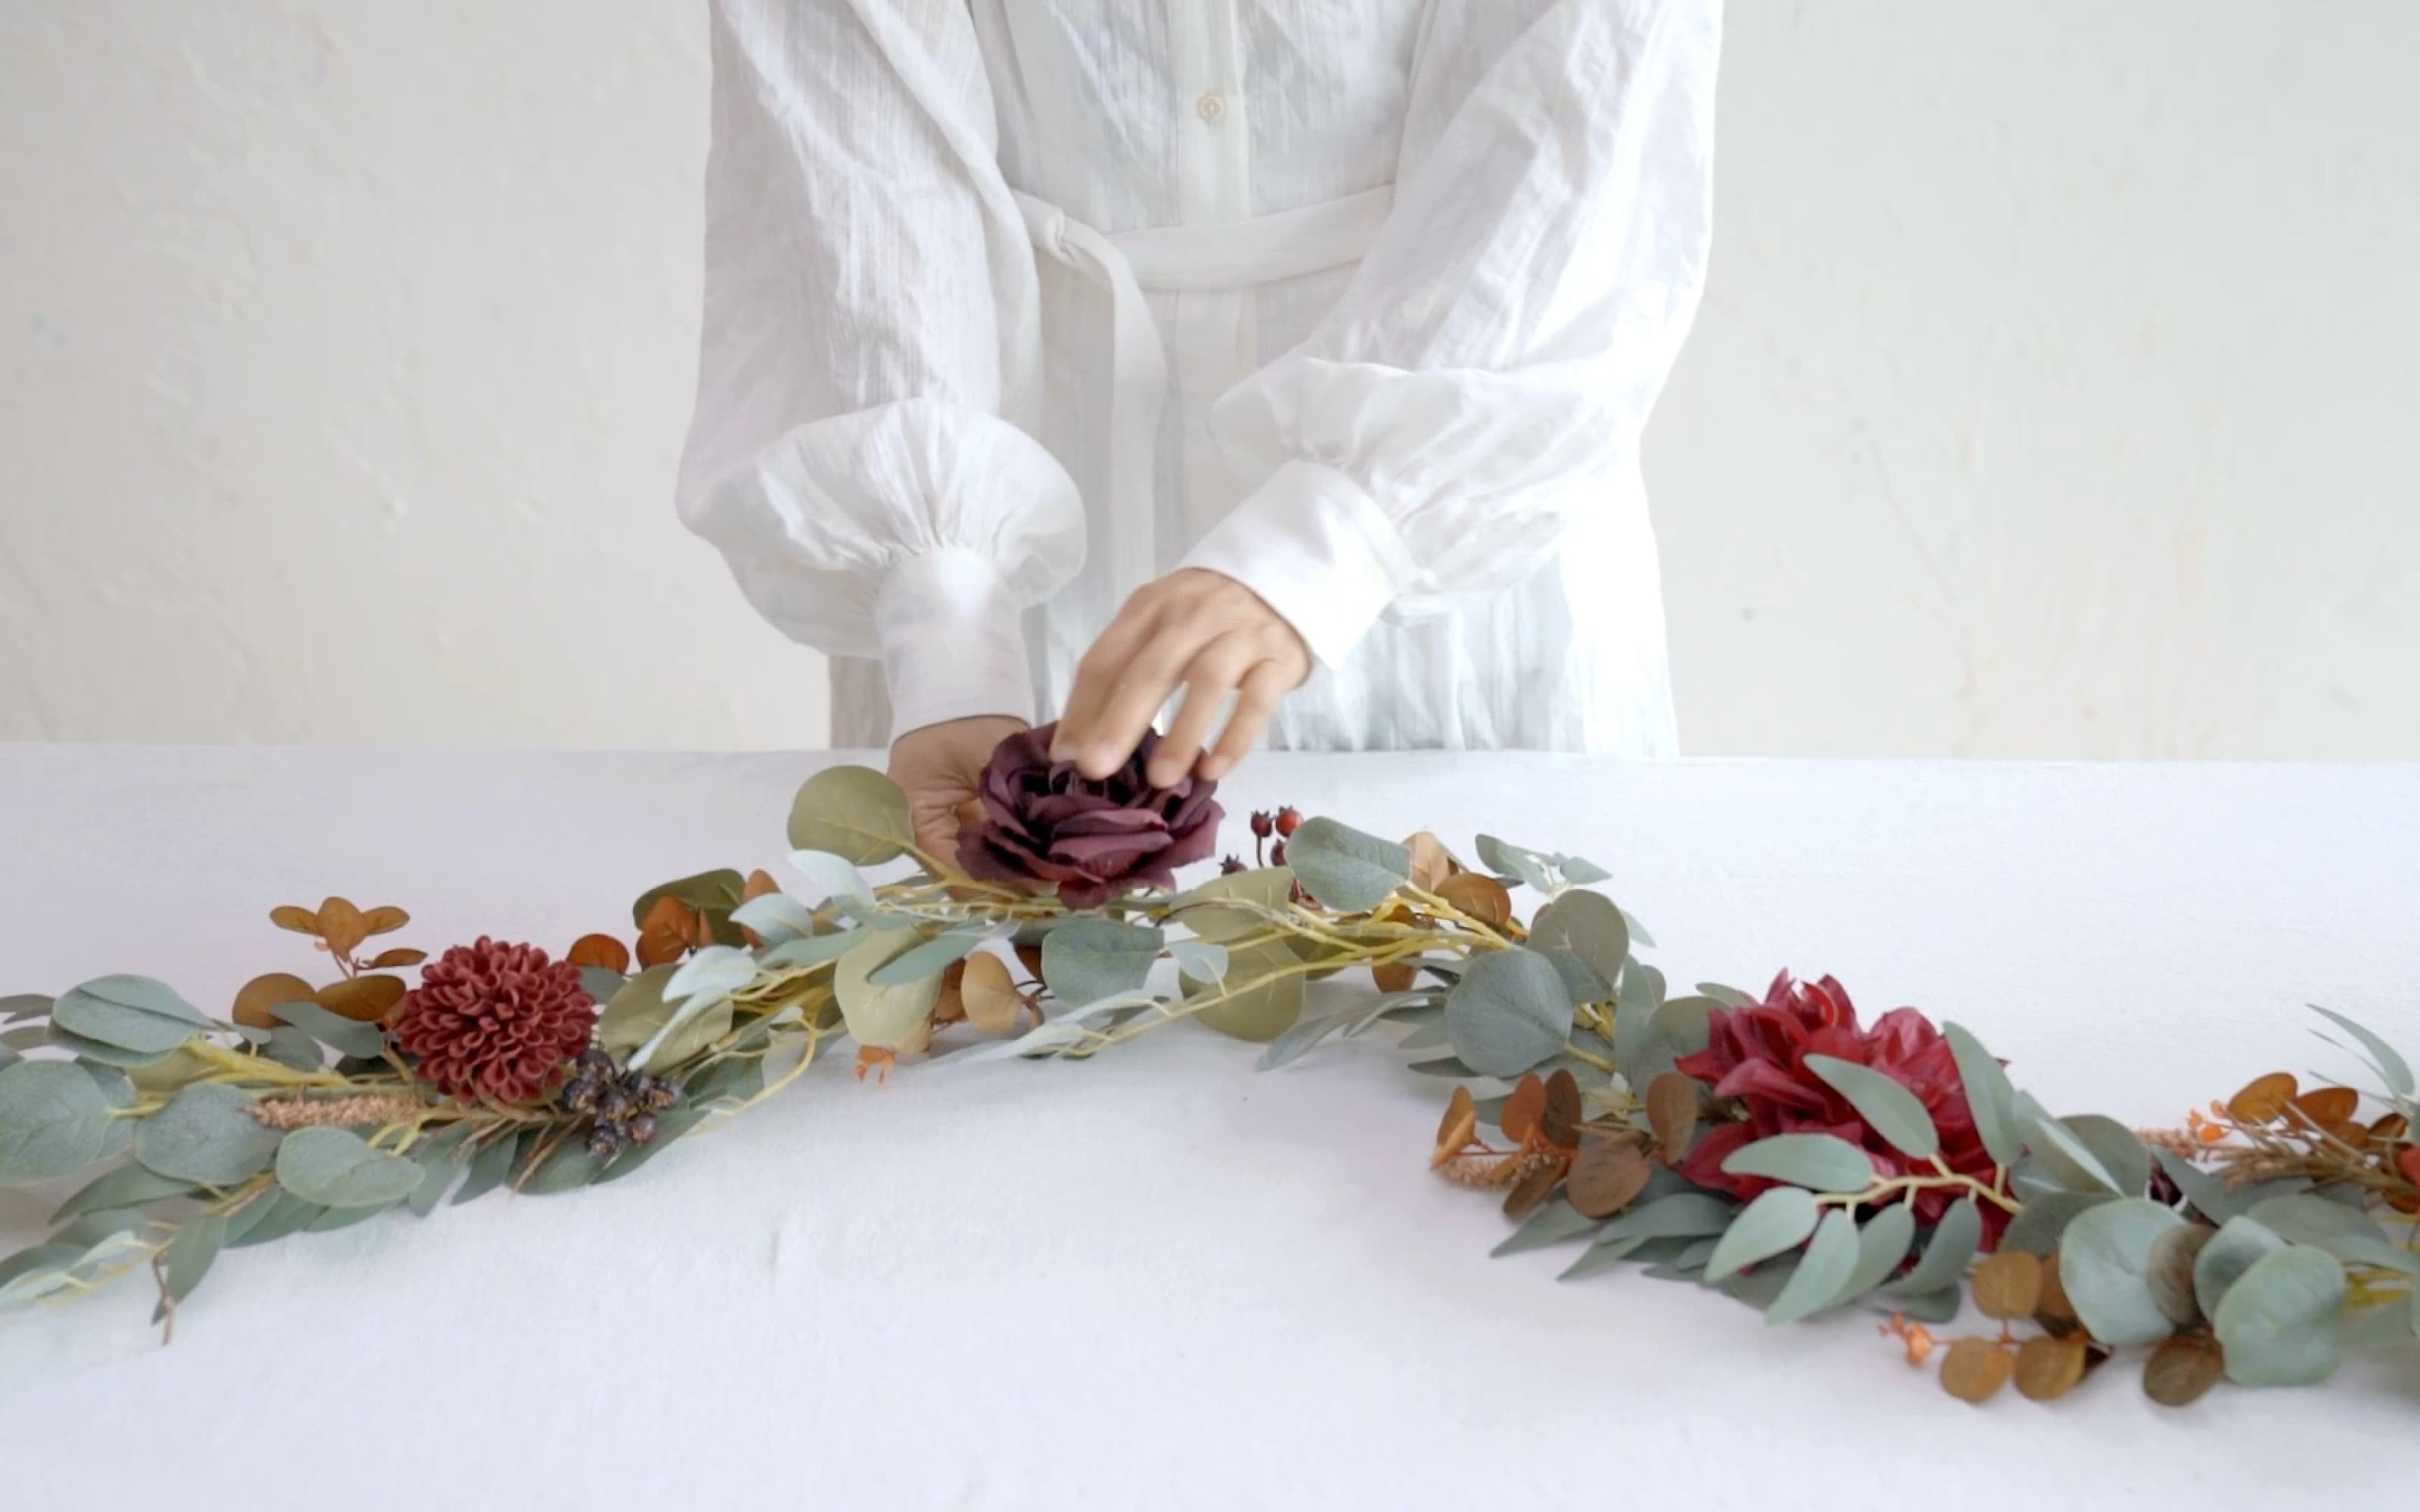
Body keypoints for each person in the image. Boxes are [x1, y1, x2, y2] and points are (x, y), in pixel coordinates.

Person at [678, 0, 1720, 857]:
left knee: (1507, 1049)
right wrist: (947, 623)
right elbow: (855, 173)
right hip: (1008, 525)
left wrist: (1340, 531)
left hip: (1468, 533)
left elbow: (1577, 127)